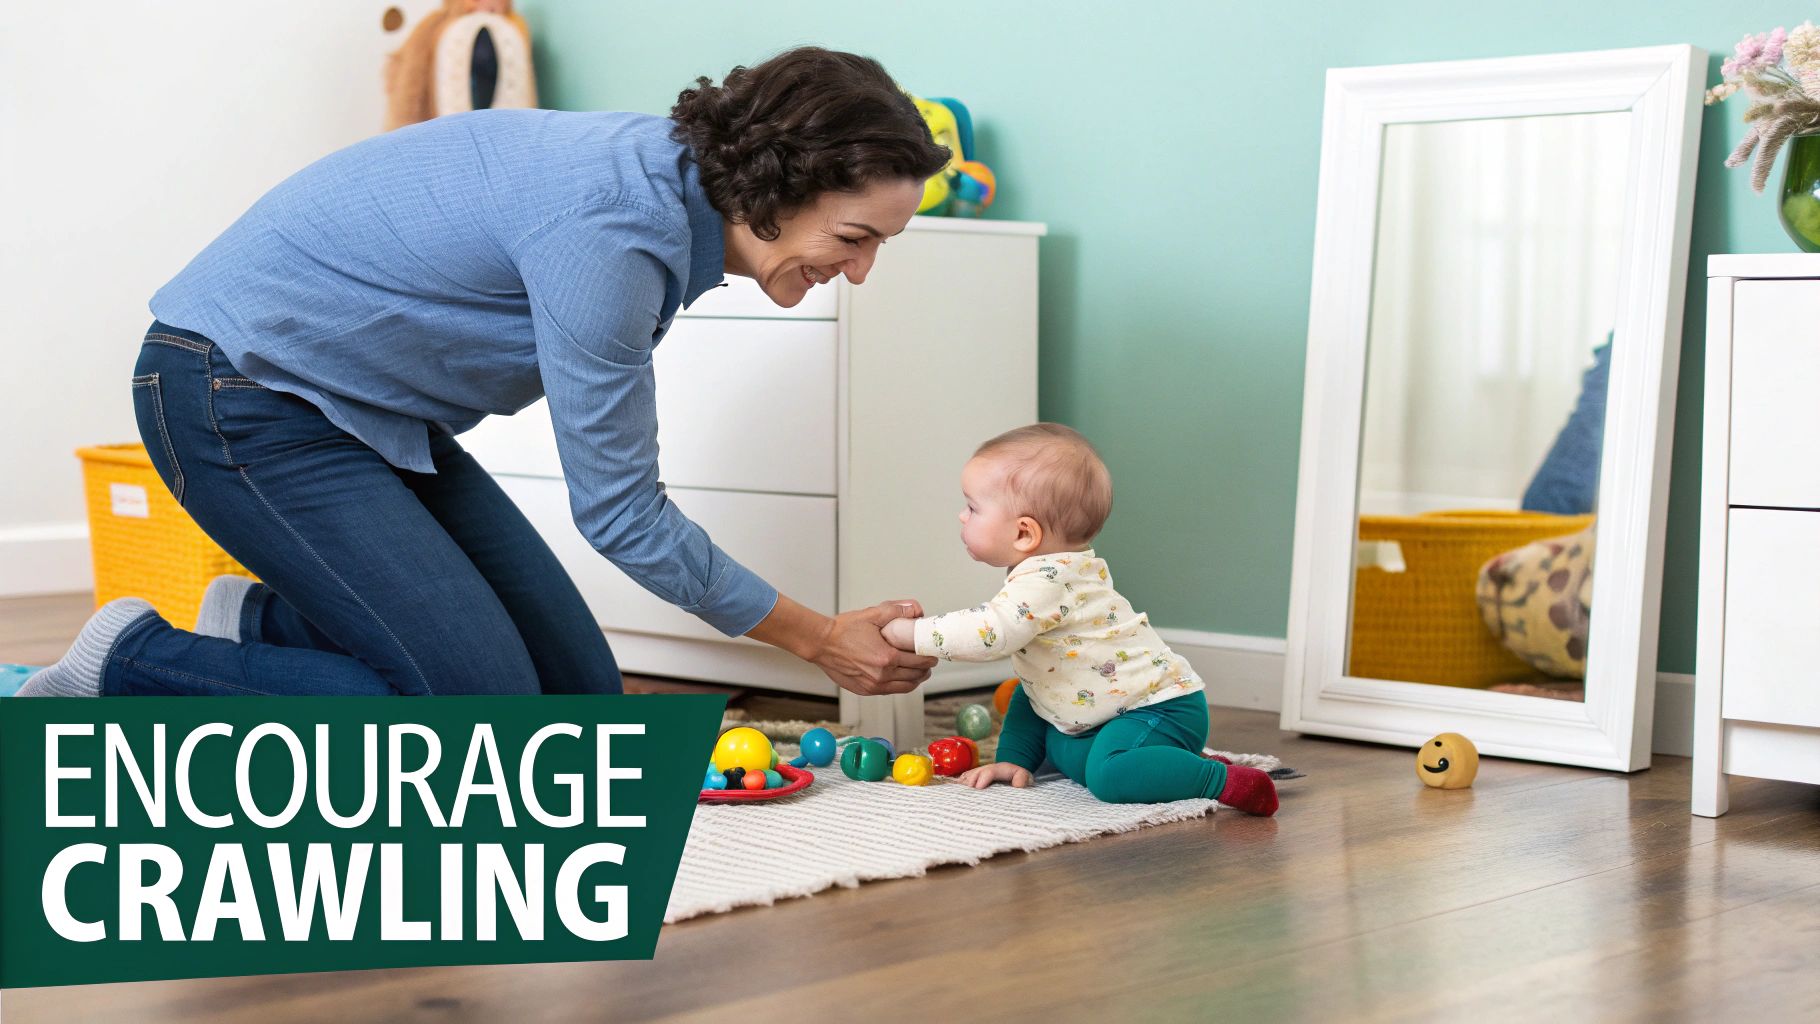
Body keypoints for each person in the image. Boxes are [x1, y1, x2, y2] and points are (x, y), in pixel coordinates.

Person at [22, 47, 949, 699]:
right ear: (774, 187)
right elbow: (621, 513)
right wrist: (819, 640)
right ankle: (133, 662)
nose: (859, 270)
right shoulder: (614, 230)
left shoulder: (680, 182)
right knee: (478, 721)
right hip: (240, 394)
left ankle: (266, 630)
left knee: (576, 701)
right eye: (854, 238)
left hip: (368, 417)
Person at [881, 424, 1279, 814]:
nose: (962, 516)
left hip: (1159, 709)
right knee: (1036, 704)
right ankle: (1019, 760)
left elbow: (992, 634)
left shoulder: (1051, 580)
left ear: (1024, 534)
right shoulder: (1046, 571)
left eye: (972, 507)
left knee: (1108, 777)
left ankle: (1220, 778)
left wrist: (911, 634)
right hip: (1099, 711)